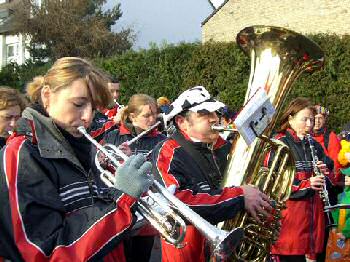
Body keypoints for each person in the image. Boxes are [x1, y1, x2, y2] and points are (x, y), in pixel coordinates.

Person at [0, 57, 154, 261]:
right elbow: (45, 254)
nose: (87, 117)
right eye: (79, 104)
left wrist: (112, 175)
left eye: (94, 107)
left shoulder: (77, 144)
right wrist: (121, 199)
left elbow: (87, 215)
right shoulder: (21, 154)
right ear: (47, 96)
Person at [151, 86, 273, 261]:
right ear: (181, 122)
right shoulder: (167, 151)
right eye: (204, 114)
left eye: (215, 113)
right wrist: (239, 197)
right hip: (190, 253)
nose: (214, 118)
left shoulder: (225, 146)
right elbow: (173, 202)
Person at [267, 97, 335, 262]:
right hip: (290, 220)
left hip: (312, 217)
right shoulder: (280, 145)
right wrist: (307, 184)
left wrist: (324, 172)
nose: (310, 124)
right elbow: (275, 184)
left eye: (311, 120)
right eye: (305, 119)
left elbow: (329, 168)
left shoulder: (314, 144)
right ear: (290, 119)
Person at [103, 94, 166, 262]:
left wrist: (135, 157)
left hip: (146, 212)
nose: (153, 119)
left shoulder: (161, 140)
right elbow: (101, 171)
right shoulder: (113, 136)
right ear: (132, 116)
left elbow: (163, 173)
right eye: (147, 115)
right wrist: (105, 159)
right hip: (117, 209)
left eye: (155, 114)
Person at [313, 105, 342, 182]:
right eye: (314, 118)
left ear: (325, 120)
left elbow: (336, 164)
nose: (317, 121)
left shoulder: (331, 137)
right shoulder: (305, 136)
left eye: (320, 118)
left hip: (327, 182)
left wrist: (331, 181)